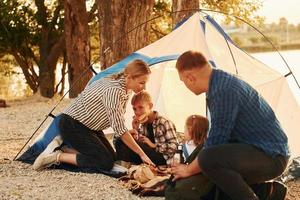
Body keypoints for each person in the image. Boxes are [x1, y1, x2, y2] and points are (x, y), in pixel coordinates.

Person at [171, 51, 290, 200]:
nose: (185, 85)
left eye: (183, 81)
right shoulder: (218, 83)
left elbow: (216, 143)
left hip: (271, 156)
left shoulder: (224, 90)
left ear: (190, 78)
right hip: (255, 150)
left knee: (208, 159)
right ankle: (267, 191)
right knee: (209, 163)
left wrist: (188, 170)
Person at [33, 59, 155, 171]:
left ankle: (64, 148)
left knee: (112, 158)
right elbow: (119, 129)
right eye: (141, 83)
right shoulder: (114, 90)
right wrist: (142, 154)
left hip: (90, 127)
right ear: (129, 77)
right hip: (73, 124)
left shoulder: (125, 89)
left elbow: (117, 122)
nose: (144, 87)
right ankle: (55, 156)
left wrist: (127, 132)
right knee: (104, 163)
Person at [115, 90, 178, 166]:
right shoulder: (143, 123)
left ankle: (122, 164)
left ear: (150, 106)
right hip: (147, 156)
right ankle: (122, 166)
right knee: (120, 141)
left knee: (121, 139)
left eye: (141, 107)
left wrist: (154, 145)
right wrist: (135, 129)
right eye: (134, 109)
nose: (137, 112)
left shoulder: (164, 122)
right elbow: (140, 146)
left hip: (162, 158)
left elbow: (174, 146)